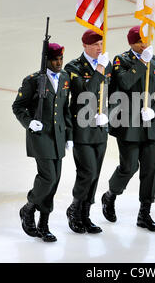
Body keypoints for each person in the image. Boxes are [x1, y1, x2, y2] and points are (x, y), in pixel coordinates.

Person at [101, 26, 155, 232]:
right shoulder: (120, 60)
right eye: (141, 41)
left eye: (147, 40)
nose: (145, 44)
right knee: (129, 167)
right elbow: (125, 81)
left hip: (148, 124)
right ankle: (111, 194)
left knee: (151, 168)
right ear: (131, 43)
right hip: (127, 124)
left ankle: (144, 213)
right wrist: (142, 62)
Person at [12, 43, 73, 242]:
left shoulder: (64, 78)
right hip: (41, 136)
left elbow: (65, 110)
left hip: (58, 136)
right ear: (46, 60)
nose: (59, 63)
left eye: (61, 59)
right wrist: (30, 123)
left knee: (54, 182)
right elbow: (18, 106)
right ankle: (29, 208)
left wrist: (69, 136)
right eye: (55, 59)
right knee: (47, 177)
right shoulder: (33, 81)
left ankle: (44, 223)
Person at [64, 30, 113, 234]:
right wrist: (99, 69)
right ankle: (74, 209)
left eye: (101, 44)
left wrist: (108, 114)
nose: (100, 48)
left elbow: (112, 91)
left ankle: (86, 213)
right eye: (95, 45)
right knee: (87, 172)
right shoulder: (73, 67)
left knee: (96, 174)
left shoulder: (106, 65)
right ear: (85, 46)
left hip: (100, 128)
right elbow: (86, 94)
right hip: (82, 129)